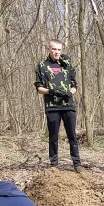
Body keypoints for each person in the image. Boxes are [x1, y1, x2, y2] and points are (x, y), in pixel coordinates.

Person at [35, 39, 81, 172]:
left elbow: (74, 85)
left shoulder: (67, 64)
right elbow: (38, 88)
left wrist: (70, 93)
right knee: (53, 136)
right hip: (52, 106)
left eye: (59, 49)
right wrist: (51, 91)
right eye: (54, 49)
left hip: (68, 105)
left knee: (72, 135)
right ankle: (54, 164)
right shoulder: (42, 66)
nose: (56, 52)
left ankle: (77, 163)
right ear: (49, 49)